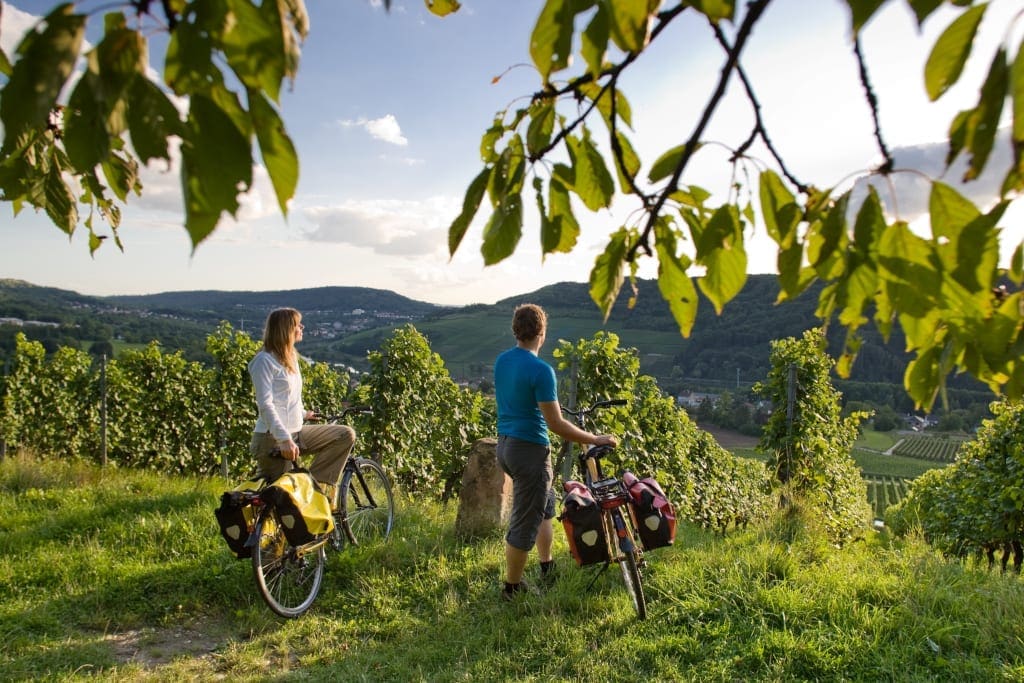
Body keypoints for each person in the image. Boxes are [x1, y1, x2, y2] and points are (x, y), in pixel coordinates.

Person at [493, 303, 618, 600]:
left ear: (515, 330)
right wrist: (596, 439)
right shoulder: (541, 371)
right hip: (530, 452)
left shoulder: (502, 361)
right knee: (524, 521)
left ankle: (547, 565)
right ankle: (512, 587)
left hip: (506, 446)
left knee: (544, 505)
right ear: (542, 334)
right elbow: (557, 424)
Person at [248, 307, 355, 508]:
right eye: (298, 324)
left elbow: (287, 399)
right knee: (279, 505)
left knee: (344, 435)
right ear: (286, 329)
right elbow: (265, 405)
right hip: (272, 439)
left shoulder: (290, 358)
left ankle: (312, 491)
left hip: (295, 432)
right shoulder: (263, 361)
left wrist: (304, 413)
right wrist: (284, 439)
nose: (302, 327)